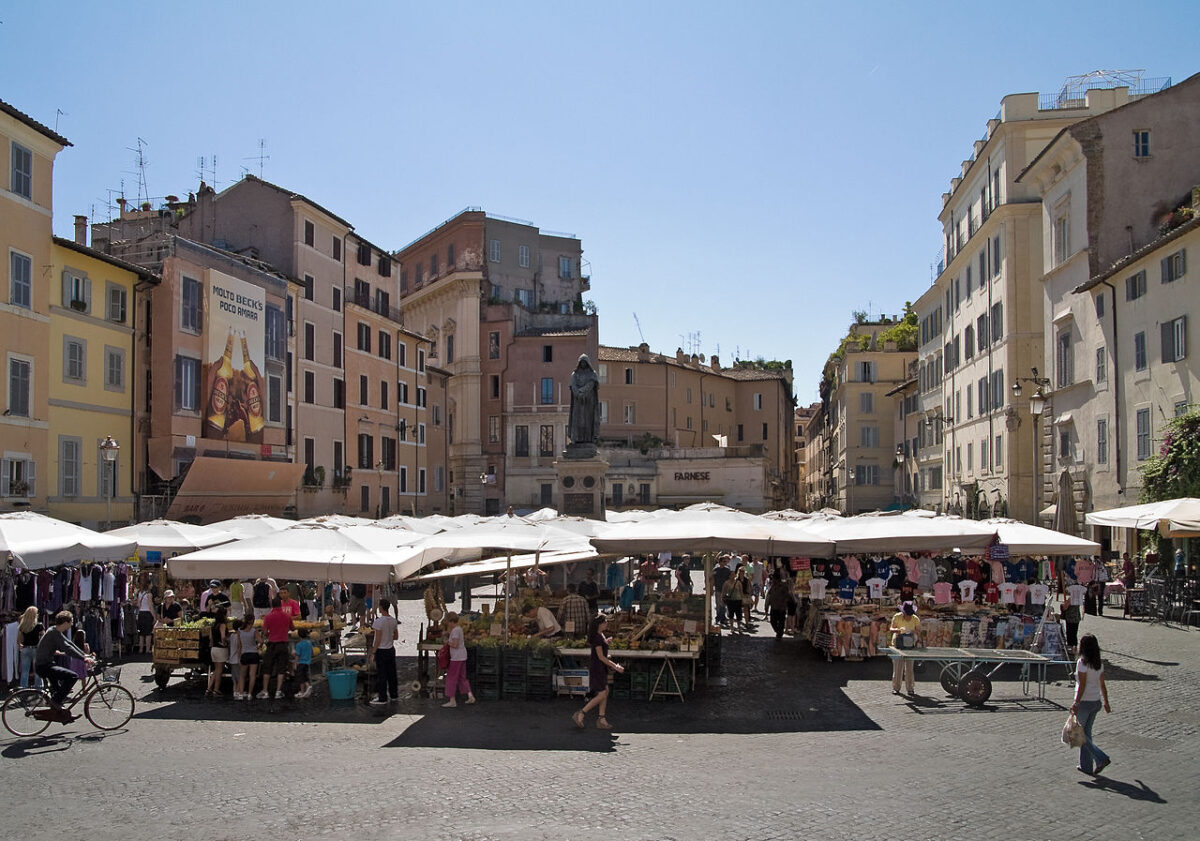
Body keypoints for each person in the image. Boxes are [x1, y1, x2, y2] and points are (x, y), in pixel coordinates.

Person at [35, 611, 94, 718]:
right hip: (44, 666)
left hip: (45, 664)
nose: (72, 624)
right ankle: (55, 702)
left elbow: (70, 643)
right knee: (73, 676)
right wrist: (83, 658)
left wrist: (84, 655)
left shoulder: (54, 631)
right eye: (71, 622)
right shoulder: (53, 633)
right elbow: (67, 648)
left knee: (59, 691)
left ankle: (63, 715)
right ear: (65, 622)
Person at [572, 615, 625, 730]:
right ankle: (581, 713)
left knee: (605, 690)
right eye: (605, 622)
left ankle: (601, 718)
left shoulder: (600, 636)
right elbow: (601, 657)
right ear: (600, 624)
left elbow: (601, 654)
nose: (607, 624)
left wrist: (606, 643)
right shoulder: (597, 638)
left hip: (600, 667)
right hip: (598, 668)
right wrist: (615, 666)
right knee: (601, 694)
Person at [1071, 633, 1112, 775]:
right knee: (1086, 734)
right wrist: (1106, 702)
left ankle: (1101, 757)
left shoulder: (1082, 663)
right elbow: (1102, 684)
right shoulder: (1098, 664)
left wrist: (1076, 703)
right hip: (1096, 701)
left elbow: (1081, 685)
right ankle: (1086, 766)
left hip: (1085, 702)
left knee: (1079, 734)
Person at [258, 596, 293, 700]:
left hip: (272, 644)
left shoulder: (268, 617)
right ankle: (278, 691)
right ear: (281, 604)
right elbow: (293, 628)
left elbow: (264, 632)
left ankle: (265, 691)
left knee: (267, 668)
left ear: (272, 605)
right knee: (281, 668)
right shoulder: (287, 616)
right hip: (283, 644)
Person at [442, 611, 476, 708]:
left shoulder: (455, 631)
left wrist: (447, 642)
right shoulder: (459, 629)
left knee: (451, 678)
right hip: (462, 656)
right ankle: (470, 696)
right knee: (462, 678)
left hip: (456, 658)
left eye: (448, 622)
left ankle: (452, 700)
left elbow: (455, 645)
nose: (448, 624)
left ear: (451, 621)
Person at [370, 598, 399, 705]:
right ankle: (394, 694)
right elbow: (396, 636)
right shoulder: (393, 621)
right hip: (390, 649)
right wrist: (389, 637)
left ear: (381, 607)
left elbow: (377, 639)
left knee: (382, 674)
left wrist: (373, 652)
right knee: (392, 673)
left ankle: (382, 697)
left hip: (381, 651)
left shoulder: (378, 622)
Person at [888, 601, 921, 696]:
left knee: (909, 668)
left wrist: (911, 631)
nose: (909, 616)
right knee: (898, 667)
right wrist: (899, 630)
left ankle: (910, 688)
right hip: (898, 643)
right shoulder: (897, 616)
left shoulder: (915, 619)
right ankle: (896, 687)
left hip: (910, 644)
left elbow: (919, 630)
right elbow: (891, 629)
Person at [567, 353, 600, 445]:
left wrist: (582, 391)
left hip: (589, 401)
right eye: (581, 362)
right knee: (577, 420)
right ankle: (576, 438)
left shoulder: (592, 374)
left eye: (584, 362)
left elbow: (591, 384)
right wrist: (577, 393)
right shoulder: (575, 374)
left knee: (588, 420)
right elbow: (572, 385)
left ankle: (588, 439)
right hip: (578, 401)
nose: (583, 364)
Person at [235, 617, 261, 700]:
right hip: (253, 653)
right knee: (252, 675)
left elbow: (239, 646)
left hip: (244, 654)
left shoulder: (240, 631)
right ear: (252, 622)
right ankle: (250, 693)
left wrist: (239, 657)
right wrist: (257, 646)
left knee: (242, 676)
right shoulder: (254, 631)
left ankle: (241, 693)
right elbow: (261, 641)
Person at [17, 606, 43, 688]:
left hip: (25, 648)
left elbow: (19, 639)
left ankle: (23, 687)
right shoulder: (39, 625)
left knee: (25, 670)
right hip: (36, 648)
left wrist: (20, 646)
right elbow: (44, 637)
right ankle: (38, 687)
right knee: (37, 670)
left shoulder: (22, 625)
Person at [207, 606, 230, 697]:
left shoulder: (213, 625)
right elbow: (223, 637)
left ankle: (209, 688)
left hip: (214, 649)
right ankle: (216, 690)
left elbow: (210, 638)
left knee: (216, 670)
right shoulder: (222, 625)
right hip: (221, 649)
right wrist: (226, 643)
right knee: (219, 671)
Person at [765, 573, 790, 639]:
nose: (772, 580)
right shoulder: (772, 586)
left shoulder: (783, 586)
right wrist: (766, 606)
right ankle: (778, 632)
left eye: (773, 579)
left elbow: (786, 596)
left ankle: (779, 633)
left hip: (781, 607)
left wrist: (784, 605)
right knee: (773, 621)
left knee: (781, 622)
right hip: (773, 606)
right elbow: (769, 596)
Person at [722, 566, 746, 632]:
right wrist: (722, 599)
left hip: (738, 600)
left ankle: (739, 627)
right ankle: (732, 627)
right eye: (731, 575)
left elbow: (741, 592)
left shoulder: (738, 583)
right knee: (731, 615)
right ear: (729, 576)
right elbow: (723, 592)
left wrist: (743, 599)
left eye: (734, 574)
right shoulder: (726, 583)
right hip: (730, 600)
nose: (733, 576)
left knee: (739, 614)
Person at [712, 555, 732, 627]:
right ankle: (718, 618)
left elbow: (730, 578)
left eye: (725, 561)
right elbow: (713, 579)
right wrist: (712, 587)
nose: (725, 563)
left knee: (723, 604)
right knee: (718, 604)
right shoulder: (716, 570)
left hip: (725, 590)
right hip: (718, 589)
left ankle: (723, 618)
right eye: (723, 561)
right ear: (720, 562)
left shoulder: (727, 570)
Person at [294, 628, 314, 699]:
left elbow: (297, 655)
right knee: (303, 676)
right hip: (307, 662)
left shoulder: (298, 645)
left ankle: (308, 686)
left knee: (301, 677)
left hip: (301, 662)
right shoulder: (309, 643)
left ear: (298, 635)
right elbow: (312, 652)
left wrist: (295, 663)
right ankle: (302, 691)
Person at [136, 584, 156, 653]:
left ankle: (140, 649)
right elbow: (150, 606)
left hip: (141, 613)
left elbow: (138, 605)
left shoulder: (140, 593)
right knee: (148, 633)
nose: (151, 585)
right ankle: (147, 649)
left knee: (141, 633)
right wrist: (154, 616)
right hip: (147, 613)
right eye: (150, 584)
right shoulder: (149, 594)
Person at [228, 617, 243, 697]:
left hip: (232, 659)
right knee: (240, 676)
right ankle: (238, 691)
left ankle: (235, 691)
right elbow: (239, 647)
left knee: (234, 678)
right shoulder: (239, 636)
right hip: (237, 659)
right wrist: (240, 658)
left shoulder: (231, 636)